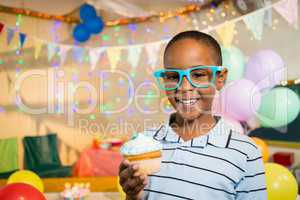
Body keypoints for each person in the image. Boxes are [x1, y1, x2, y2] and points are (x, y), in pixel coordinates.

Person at [119, 30, 267, 200]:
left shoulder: (246, 152)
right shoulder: (145, 144)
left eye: (197, 74)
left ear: (220, 78)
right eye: (173, 76)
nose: (184, 87)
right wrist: (133, 196)